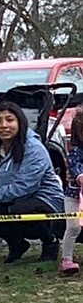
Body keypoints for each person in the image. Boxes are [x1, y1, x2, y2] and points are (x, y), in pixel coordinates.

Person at [0, 101, 64, 264]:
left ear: (20, 122)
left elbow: (25, 187)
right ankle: (17, 245)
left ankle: (50, 242)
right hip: (8, 198)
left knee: (19, 208)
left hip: (44, 200)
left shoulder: (34, 148)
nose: (4, 125)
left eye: (10, 120)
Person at [59, 108, 83, 274]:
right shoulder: (75, 152)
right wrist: (80, 175)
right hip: (74, 197)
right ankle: (66, 259)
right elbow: (75, 166)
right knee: (73, 227)